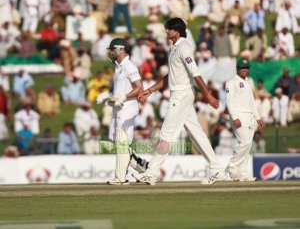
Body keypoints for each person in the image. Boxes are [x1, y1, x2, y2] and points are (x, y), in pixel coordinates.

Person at [133, 18, 227, 185]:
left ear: (176, 31)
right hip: (180, 94)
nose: (166, 32)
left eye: (168, 29)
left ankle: (151, 173)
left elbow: (195, 73)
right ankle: (217, 169)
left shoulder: (184, 48)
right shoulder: (174, 49)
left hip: (181, 95)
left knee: (165, 136)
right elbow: (170, 76)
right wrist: (149, 90)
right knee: (196, 133)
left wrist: (207, 95)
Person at [96, 38, 148, 185]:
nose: (111, 52)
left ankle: (121, 178)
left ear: (120, 49)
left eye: (113, 49)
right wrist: (108, 97)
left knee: (122, 143)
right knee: (117, 142)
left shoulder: (129, 66)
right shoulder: (118, 67)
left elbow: (139, 88)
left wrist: (124, 97)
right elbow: (119, 92)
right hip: (118, 109)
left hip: (127, 110)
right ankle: (142, 165)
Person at [225, 58, 264, 181]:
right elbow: (229, 102)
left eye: (247, 68)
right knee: (245, 142)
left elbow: (251, 101)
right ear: (237, 68)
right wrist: (235, 117)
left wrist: (258, 117)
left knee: (248, 146)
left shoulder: (248, 82)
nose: (245, 70)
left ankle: (243, 173)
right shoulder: (231, 83)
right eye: (243, 67)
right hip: (239, 116)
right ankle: (232, 167)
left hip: (250, 117)